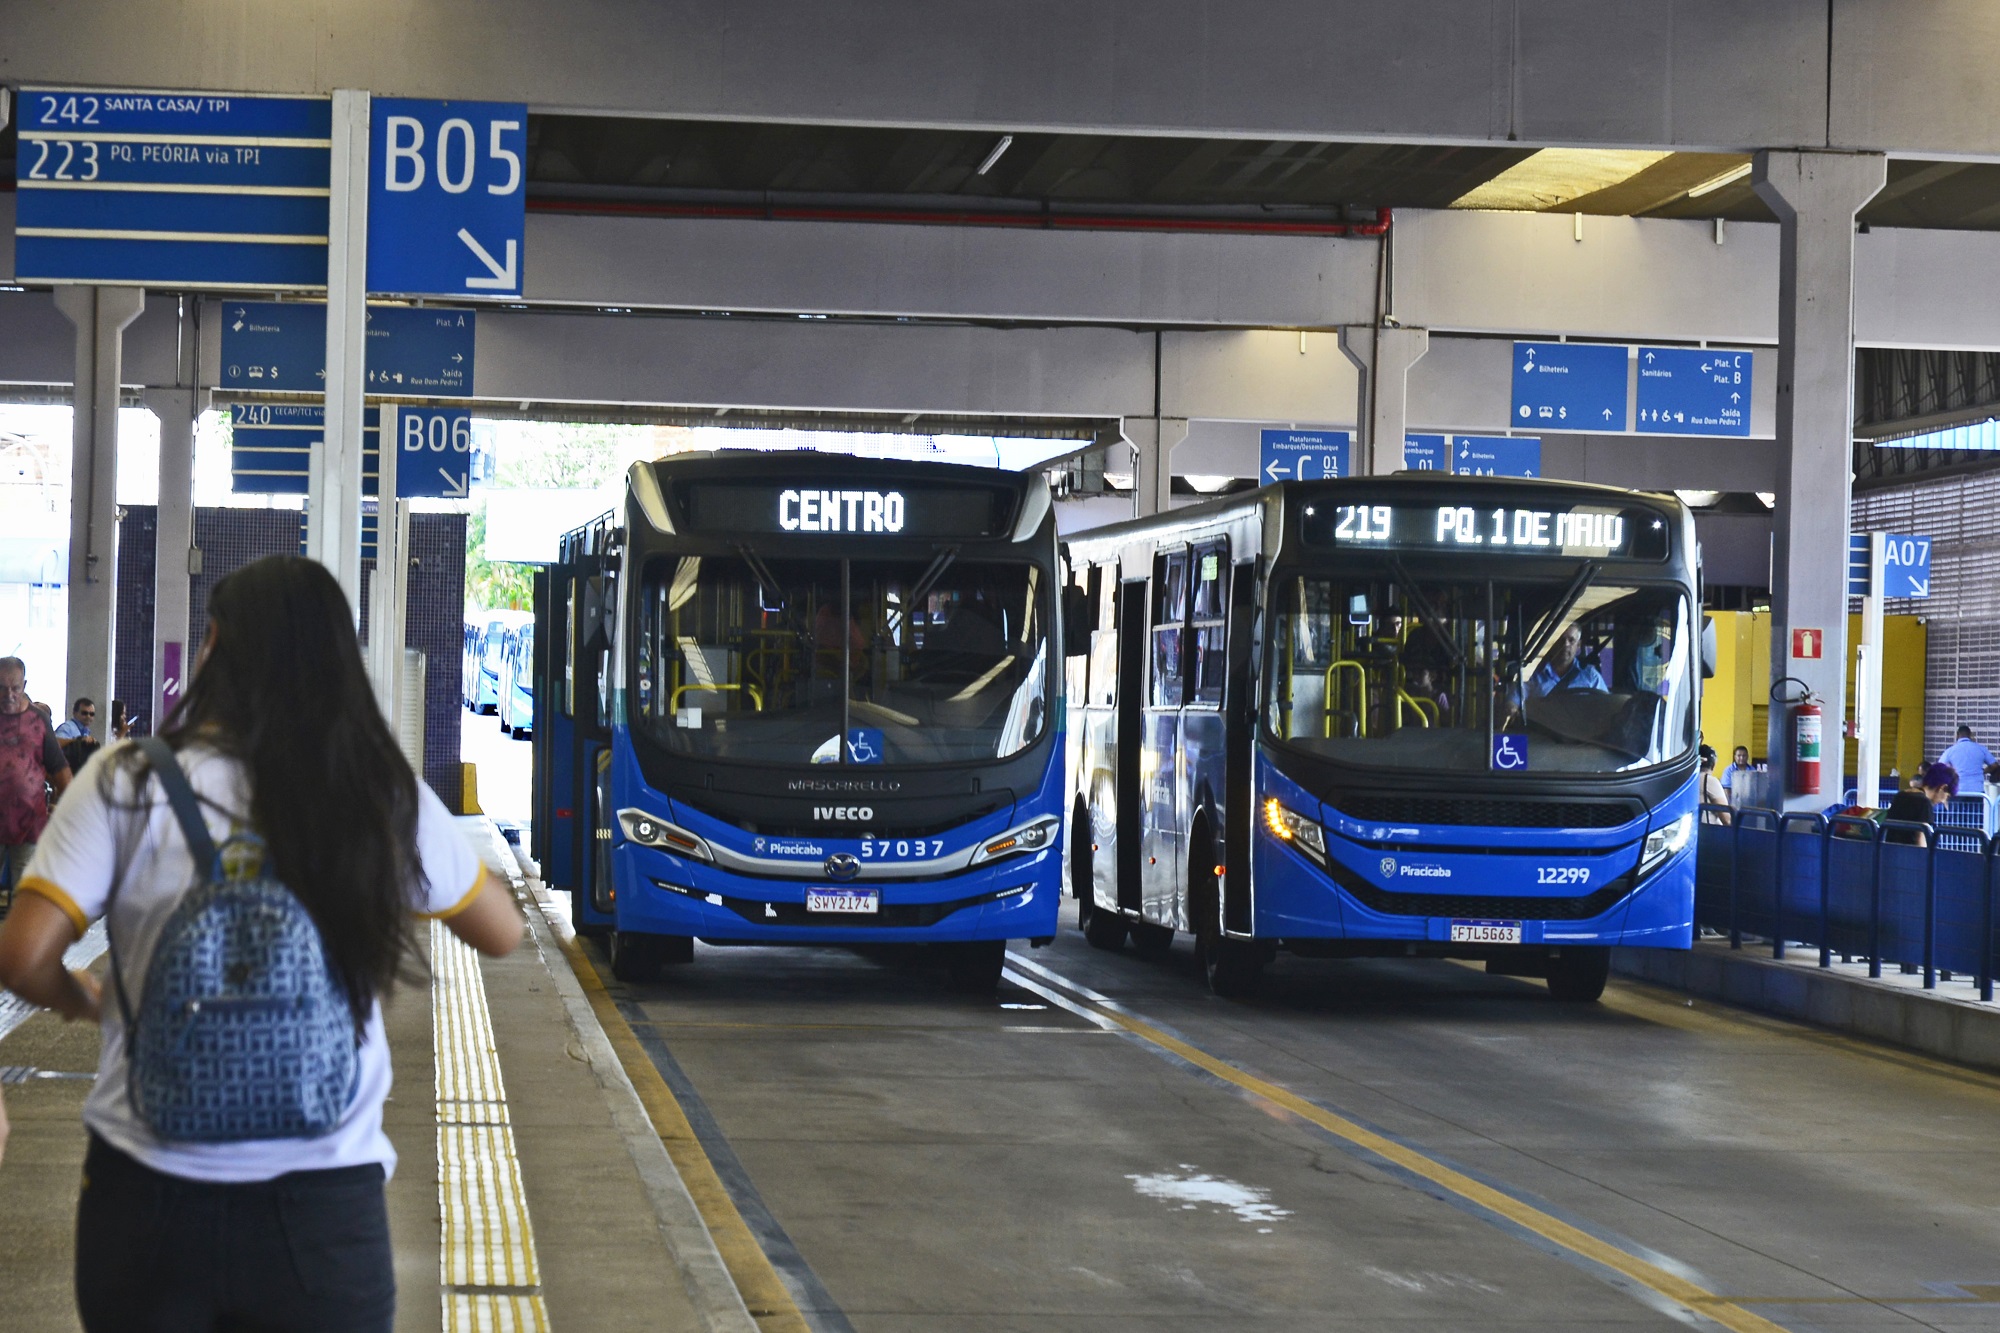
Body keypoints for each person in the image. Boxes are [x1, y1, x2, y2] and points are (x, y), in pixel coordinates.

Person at [0, 556, 524, 1332]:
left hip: (145, 1194)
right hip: (323, 1208)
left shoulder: (127, 778)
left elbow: (23, 957)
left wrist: (90, 1003)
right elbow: (502, 929)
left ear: (212, 645)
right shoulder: (376, 787)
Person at [1, 657, 73, 902]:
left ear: (25, 685)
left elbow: (59, 768)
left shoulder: (38, 721)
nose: (8, 694)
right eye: (1, 688)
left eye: (15, 688)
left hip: (29, 821)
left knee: (24, 896)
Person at [1885, 761, 1958, 848]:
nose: (1943, 801)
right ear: (1943, 787)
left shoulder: (1901, 795)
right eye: (1946, 796)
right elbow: (1920, 839)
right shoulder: (1925, 803)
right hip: (1910, 856)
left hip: (1889, 853)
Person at [1527, 624, 1606, 698]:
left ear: (1578, 644)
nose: (1565, 644)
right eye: (1560, 639)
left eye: (1571, 640)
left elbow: (1606, 706)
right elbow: (1516, 704)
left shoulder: (1591, 677)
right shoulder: (1533, 674)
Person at [1939, 725, 1994, 797]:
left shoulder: (1950, 750)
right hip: (1976, 791)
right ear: (1970, 735)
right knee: (1974, 808)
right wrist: (1982, 771)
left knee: (1956, 808)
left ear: (1957, 735)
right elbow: (1994, 765)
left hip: (1958, 790)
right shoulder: (1981, 749)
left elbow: (1939, 767)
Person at [1698, 745, 1730, 824]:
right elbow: (1727, 819)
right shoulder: (1709, 780)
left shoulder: (1688, 780)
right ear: (1713, 763)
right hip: (1709, 831)